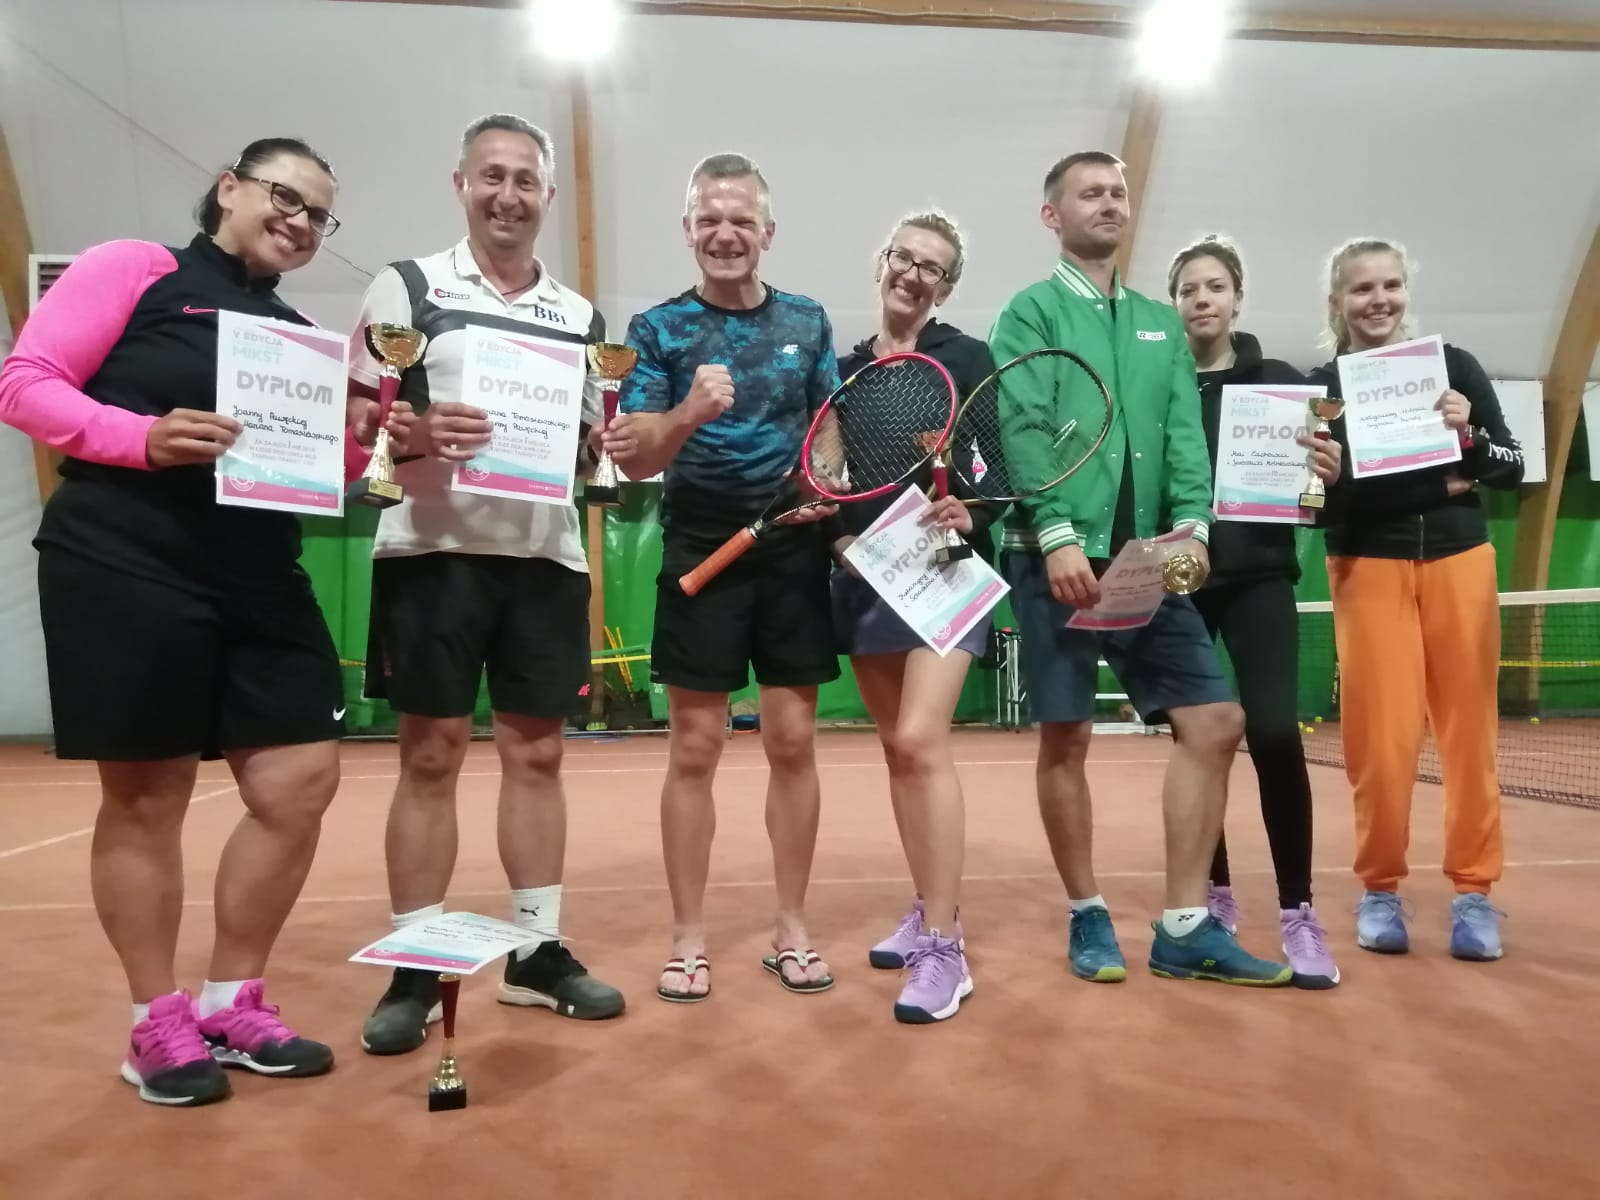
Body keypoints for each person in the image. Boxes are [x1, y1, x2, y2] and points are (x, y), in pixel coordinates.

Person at [0, 137, 393, 1106]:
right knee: (148, 797)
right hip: (123, 556)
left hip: (257, 571)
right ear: (229, 188)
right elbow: (25, 382)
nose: (300, 222)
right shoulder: (137, 269)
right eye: (285, 197)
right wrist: (140, 437)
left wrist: (367, 441)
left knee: (300, 780)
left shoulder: (298, 333)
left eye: (318, 215)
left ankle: (231, 1002)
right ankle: (155, 1021)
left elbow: (324, 476)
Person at [354, 113, 624, 1057]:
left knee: (537, 758)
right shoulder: (408, 286)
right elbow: (360, 418)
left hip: (544, 561)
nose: (508, 195)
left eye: (525, 180)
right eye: (491, 176)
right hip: (431, 554)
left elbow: (588, 447)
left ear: (547, 195)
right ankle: (416, 964)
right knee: (429, 759)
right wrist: (417, 434)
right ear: (461, 183)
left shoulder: (581, 317)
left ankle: (536, 953)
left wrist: (606, 445)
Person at [991, 151, 1291, 987]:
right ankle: (1087, 913)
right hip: (1052, 556)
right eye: (1090, 193)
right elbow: (1023, 426)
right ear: (1053, 216)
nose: (1109, 203)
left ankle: (1186, 926)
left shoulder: (1162, 324)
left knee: (1216, 722)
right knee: (1068, 736)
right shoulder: (1030, 312)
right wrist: (1055, 534)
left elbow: (1184, 437)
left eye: (1118, 192)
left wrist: (1192, 529)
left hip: (1147, 564)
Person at [603, 153, 841, 1002]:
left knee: (793, 743)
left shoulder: (808, 320)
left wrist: (824, 483)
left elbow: (828, 425)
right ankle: (688, 936)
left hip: (790, 550)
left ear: (766, 231)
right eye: (710, 219)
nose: (726, 233)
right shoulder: (657, 330)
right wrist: (688, 412)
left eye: (741, 219)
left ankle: (792, 926)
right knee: (695, 747)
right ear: (689, 231)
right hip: (699, 548)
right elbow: (636, 460)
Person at [1310, 237, 1524, 961]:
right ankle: (1379, 888)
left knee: (1470, 736)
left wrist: (1469, 437)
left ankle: (1474, 893)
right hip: (1366, 566)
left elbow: (1511, 466)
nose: (1379, 300)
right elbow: (1320, 508)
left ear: (1406, 291)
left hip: (1462, 561)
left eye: (1391, 286)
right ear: (1338, 301)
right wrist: (1427, 483)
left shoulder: (1455, 367)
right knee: (1380, 740)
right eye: (1362, 289)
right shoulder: (1322, 390)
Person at [827, 211, 999, 1023]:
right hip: (869, 580)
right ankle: (933, 904)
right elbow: (824, 478)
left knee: (923, 741)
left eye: (932, 267)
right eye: (904, 257)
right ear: (882, 261)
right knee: (898, 752)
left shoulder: (968, 359)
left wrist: (974, 509)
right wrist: (838, 540)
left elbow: (995, 470)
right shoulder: (840, 373)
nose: (913, 274)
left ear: (947, 287)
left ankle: (944, 950)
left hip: (945, 574)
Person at [1166, 234, 1343, 989]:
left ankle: (1299, 911)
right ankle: (1214, 897)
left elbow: (1318, 494)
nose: (1201, 299)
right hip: (1180, 582)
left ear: (1237, 297)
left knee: (1273, 732)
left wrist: (1325, 474)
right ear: (1175, 305)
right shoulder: (1159, 382)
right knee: (1200, 742)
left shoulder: (1283, 384)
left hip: (1261, 578)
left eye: (1214, 286)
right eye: (1188, 289)